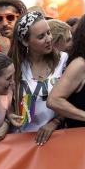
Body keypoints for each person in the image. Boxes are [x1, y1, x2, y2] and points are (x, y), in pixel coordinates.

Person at [10, 11, 68, 145]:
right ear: (25, 41)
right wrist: (8, 115)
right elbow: (2, 101)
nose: (48, 39)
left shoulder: (63, 60)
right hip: (21, 141)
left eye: (48, 33)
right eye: (41, 36)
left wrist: (55, 123)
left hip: (56, 139)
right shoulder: (15, 66)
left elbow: (72, 99)